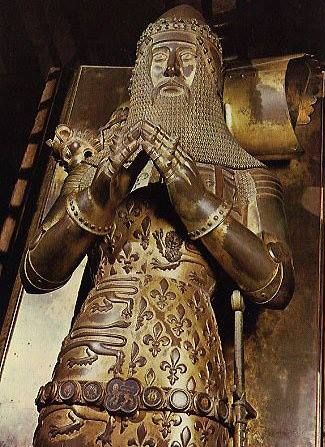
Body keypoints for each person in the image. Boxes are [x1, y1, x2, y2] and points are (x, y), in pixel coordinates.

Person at [22, 5, 294, 446]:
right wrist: (100, 193)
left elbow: (277, 283)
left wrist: (200, 205)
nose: (169, 68)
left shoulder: (246, 175)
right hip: (87, 365)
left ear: (207, 76)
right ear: (140, 73)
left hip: (183, 371)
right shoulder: (99, 162)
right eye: (158, 58)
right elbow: (37, 272)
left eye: (186, 62)